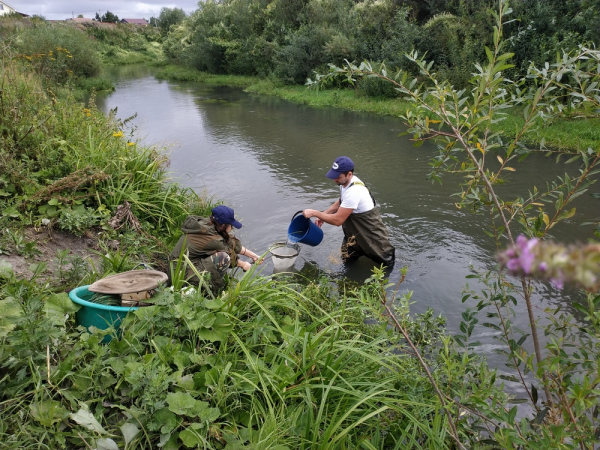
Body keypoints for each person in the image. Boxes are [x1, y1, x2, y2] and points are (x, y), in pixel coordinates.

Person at [303, 156, 395, 266]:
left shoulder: (354, 191)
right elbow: (342, 200)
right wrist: (325, 214)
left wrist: (315, 213)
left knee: (386, 267)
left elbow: (338, 221)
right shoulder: (344, 183)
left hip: (372, 237)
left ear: (349, 174)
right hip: (353, 236)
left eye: (338, 177)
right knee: (347, 261)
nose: (334, 179)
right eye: (334, 176)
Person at [168, 205, 261, 293]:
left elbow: (230, 242)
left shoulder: (207, 225)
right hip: (179, 278)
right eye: (231, 225)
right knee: (223, 258)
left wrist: (253, 255)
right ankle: (205, 292)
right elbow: (231, 258)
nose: (232, 227)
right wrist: (244, 265)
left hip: (176, 269)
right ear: (223, 225)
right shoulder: (212, 240)